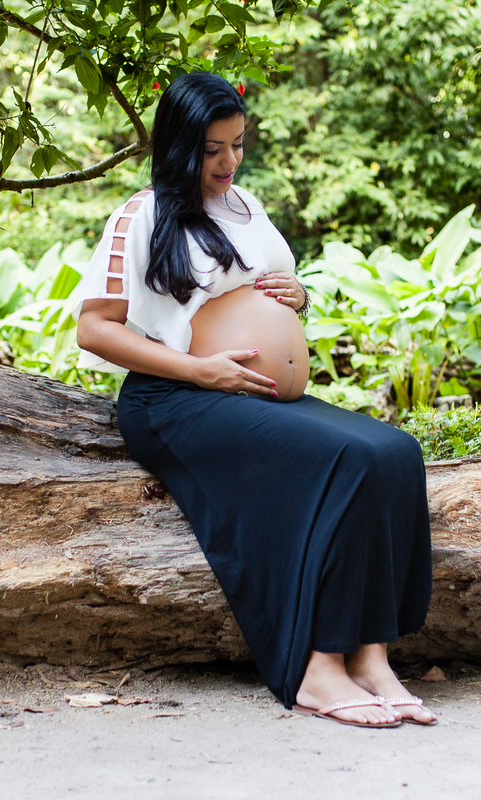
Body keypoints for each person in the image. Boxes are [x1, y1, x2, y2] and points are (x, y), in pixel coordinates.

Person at [73, 72, 435, 728]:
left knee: (393, 452)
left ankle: (373, 658)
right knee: (346, 464)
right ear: (180, 148)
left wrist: (298, 297)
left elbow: (276, 289)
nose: (229, 162)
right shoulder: (141, 215)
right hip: (175, 399)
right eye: (213, 150)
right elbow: (94, 328)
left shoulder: (246, 206)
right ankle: (319, 669)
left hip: (254, 394)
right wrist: (197, 370)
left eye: (238, 144)